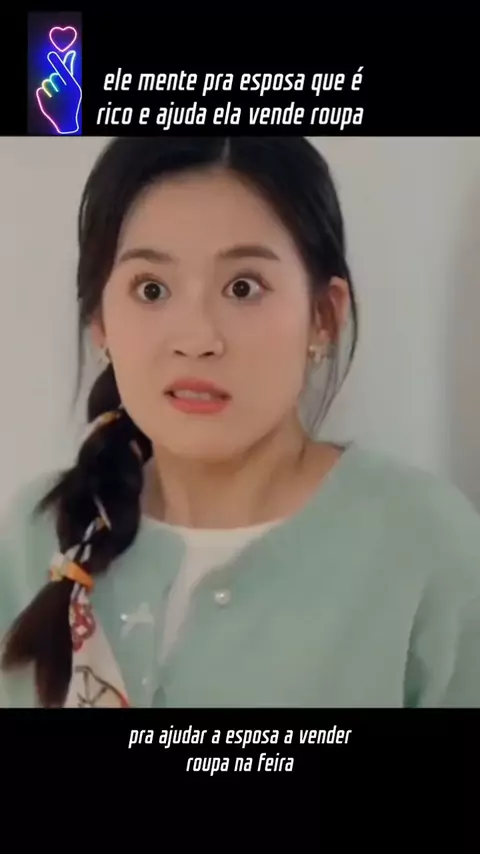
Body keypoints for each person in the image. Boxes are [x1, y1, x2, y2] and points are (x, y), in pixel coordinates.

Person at [1, 136, 479, 709]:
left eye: (243, 288)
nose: (197, 339)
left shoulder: (425, 548)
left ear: (323, 318)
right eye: (151, 289)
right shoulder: (35, 538)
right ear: (101, 323)